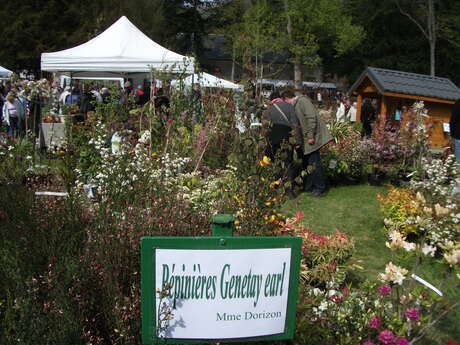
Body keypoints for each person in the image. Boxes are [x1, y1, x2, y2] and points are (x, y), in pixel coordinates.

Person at [282, 89, 332, 197]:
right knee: (307, 163)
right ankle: (309, 187)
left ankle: (320, 188)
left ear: (286, 99)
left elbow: (311, 118)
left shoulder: (302, 101)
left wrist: (310, 136)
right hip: (306, 138)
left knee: (314, 163)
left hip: (312, 137)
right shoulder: (297, 104)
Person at [263, 91, 302, 198]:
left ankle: (273, 188)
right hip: (286, 138)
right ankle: (289, 191)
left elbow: (265, 127)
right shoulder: (289, 107)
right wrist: (298, 141)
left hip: (272, 139)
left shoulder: (268, 109)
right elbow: (295, 125)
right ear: (280, 98)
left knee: (273, 163)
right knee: (288, 164)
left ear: (271, 99)